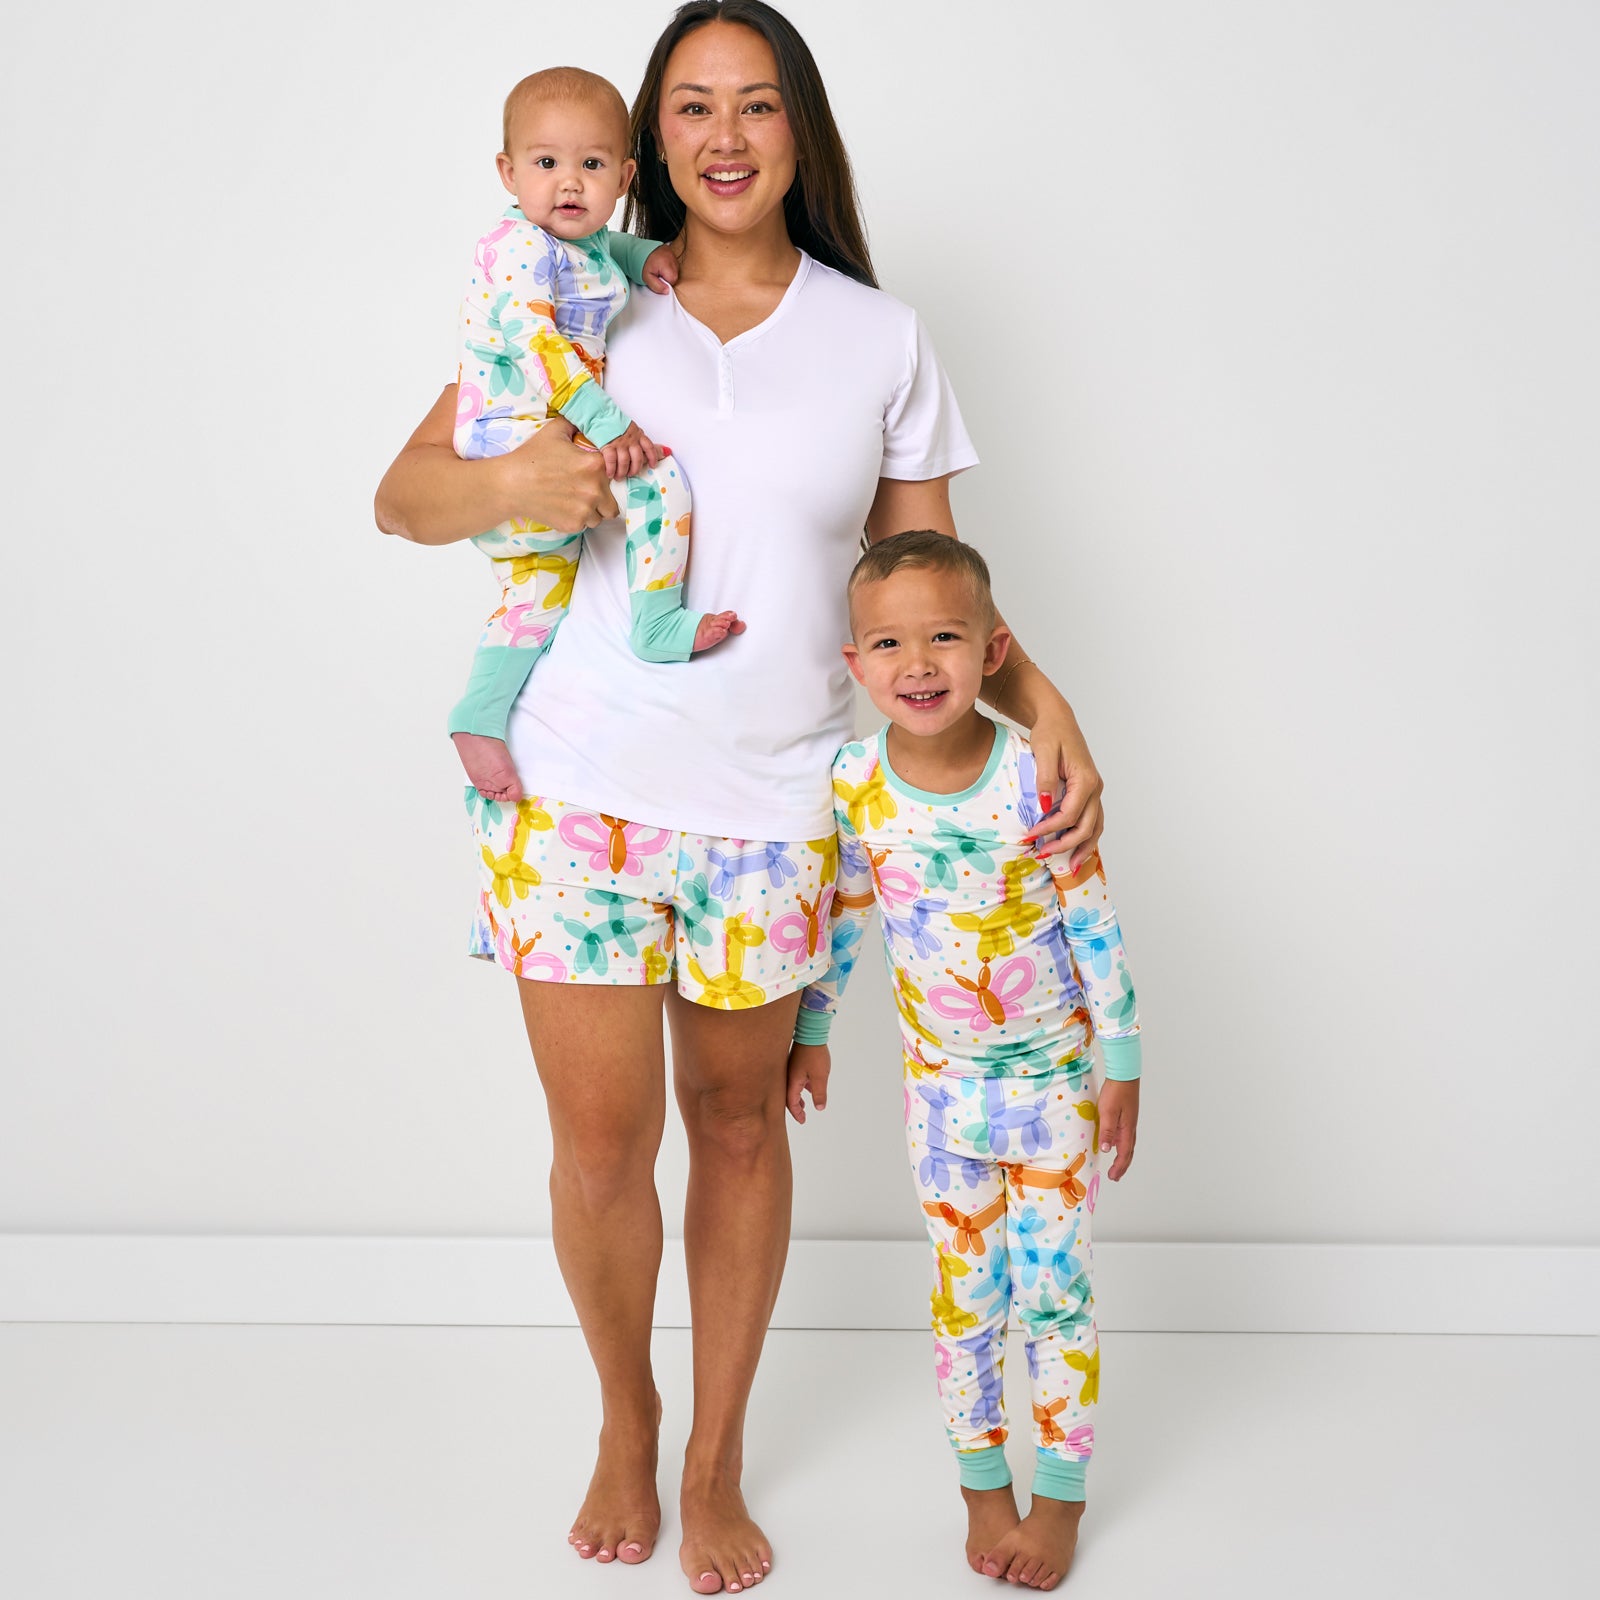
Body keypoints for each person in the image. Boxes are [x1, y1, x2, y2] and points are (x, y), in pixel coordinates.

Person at [374, 3, 1106, 1593]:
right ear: (646, 142)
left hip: (775, 809)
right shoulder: (577, 290)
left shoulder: (879, 335)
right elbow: (405, 494)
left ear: (798, 131)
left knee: (736, 1130)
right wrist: (520, 484)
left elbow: (924, 584)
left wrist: (1037, 695)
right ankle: (626, 1423)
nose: (724, 136)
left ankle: (716, 1457)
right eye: (691, 107)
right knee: (599, 1146)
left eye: (755, 106)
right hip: (571, 789)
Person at [785, 531, 1142, 1591]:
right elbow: (844, 912)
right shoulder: (854, 782)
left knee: (1054, 1297)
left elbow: (1091, 912)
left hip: (1050, 1097)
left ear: (993, 650)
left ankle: (1063, 1498)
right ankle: (983, 1487)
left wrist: (1120, 1056)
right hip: (940, 1103)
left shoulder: (1036, 773)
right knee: (963, 1299)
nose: (918, 662)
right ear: (855, 667)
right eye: (888, 643)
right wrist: (811, 1031)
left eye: (944, 635)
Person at [448, 65, 741, 805]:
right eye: (546, 164)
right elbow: (539, 349)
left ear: (625, 177)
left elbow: (609, 253)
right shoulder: (514, 248)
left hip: (541, 497)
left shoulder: (584, 246)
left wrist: (649, 257)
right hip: (515, 452)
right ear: (508, 172)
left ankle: (479, 714)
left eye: (592, 164)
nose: (569, 183)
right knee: (660, 482)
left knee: (534, 603)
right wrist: (614, 430)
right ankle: (658, 621)